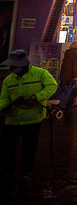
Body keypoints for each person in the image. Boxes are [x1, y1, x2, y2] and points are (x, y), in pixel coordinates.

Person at [0, 49, 57, 181]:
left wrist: (36, 98)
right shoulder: (9, 80)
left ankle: (26, 172)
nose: (11, 68)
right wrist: (5, 108)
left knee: (29, 147)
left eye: (13, 66)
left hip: (33, 119)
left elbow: (51, 86)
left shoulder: (40, 73)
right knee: (7, 147)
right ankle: (8, 171)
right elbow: (4, 98)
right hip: (12, 120)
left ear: (22, 65)